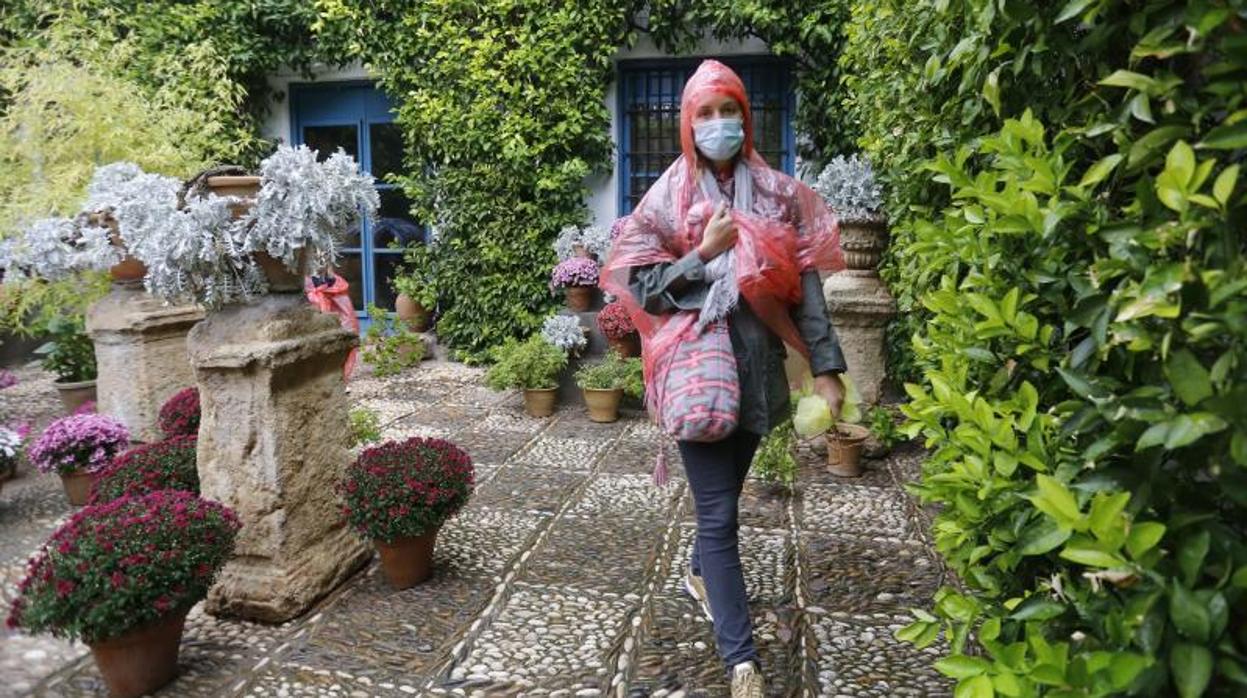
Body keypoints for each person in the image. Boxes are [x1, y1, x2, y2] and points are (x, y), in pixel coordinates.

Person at [601, 60, 849, 697]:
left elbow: (807, 289)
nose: (718, 124)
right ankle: (741, 660)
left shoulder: (776, 195)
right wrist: (703, 254)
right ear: (687, 124)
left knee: (723, 503)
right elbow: (643, 288)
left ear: (746, 116)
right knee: (718, 518)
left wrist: (826, 369)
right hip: (695, 370)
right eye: (704, 114)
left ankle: (699, 572)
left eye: (728, 110)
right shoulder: (668, 197)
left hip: (758, 373)